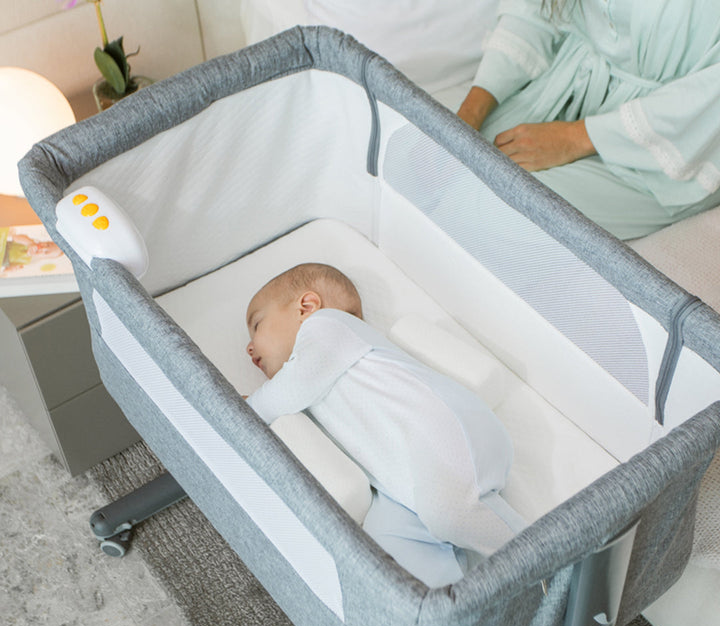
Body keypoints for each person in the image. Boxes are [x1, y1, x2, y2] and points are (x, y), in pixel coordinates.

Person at [244, 263, 524, 587]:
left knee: (450, 512)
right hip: (398, 485)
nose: (248, 347)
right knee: (386, 552)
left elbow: (291, 388)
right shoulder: (307, 392)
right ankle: (452, 606)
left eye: (257, 325)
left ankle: (552, 561)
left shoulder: (328, 326)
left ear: (306, 306)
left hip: (445, 431)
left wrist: (245, 408)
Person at [457, 0, 720, 239]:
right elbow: (536, 9)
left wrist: (574, 138)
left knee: (489, 211)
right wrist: (468, 115)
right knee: (447, 170)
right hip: (572, 85)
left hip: (672, 142)